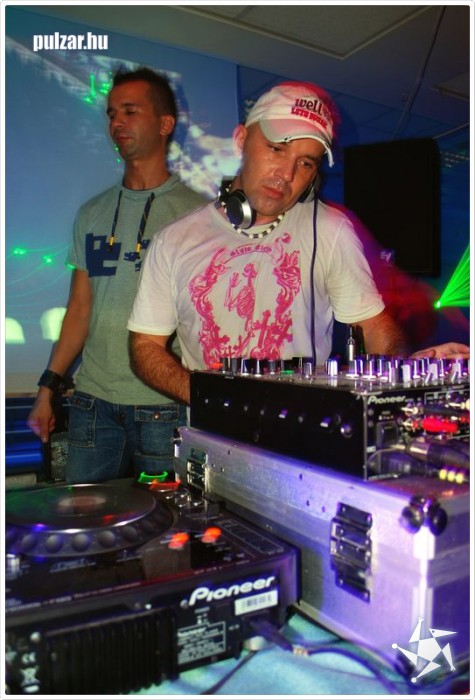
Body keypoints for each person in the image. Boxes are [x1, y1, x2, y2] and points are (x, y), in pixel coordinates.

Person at [126, 80, 411, 405]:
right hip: (212, 430)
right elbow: (145, 345)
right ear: (241, 140)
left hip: (300, 429)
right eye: (276, 149)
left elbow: (373, 326)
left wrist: (400, 371)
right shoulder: (174, 240)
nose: (287, 174)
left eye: (306, 163)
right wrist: (208, 398)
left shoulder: (330, 230)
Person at [27, 67, 206, 483]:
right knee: (85, 516)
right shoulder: (92, 213)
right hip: (92, 404)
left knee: (168, 522)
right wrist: (47, 390)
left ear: (165, 124)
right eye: (111, 114)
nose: (116, 123)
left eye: (129, 111)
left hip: (163, 406)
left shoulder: (199, 215)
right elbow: (79, 310)